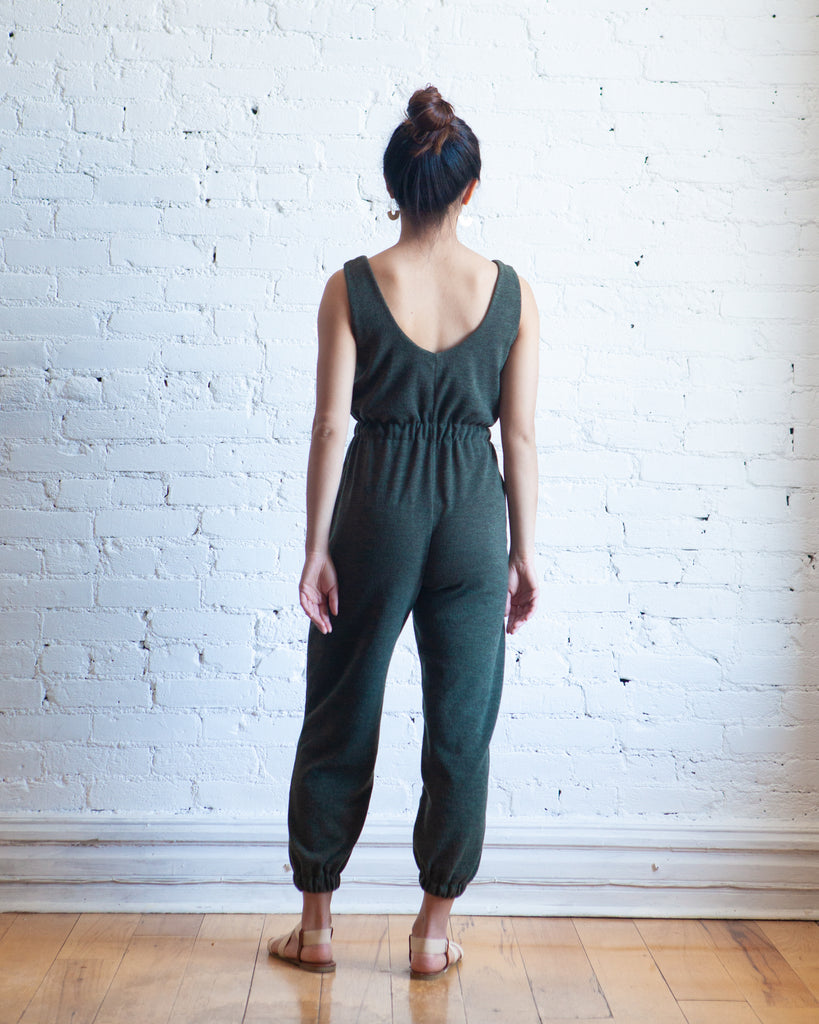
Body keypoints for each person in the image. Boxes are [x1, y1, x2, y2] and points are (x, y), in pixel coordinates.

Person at [267, 85, 539, 980]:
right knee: (461, 725)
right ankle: (430, 933)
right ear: (470, 189)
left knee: (340, 707)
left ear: (393, 187)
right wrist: (523, 552)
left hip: (375, 508)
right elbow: (520, 438)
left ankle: (316, 926)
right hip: (471, 514)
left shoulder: (351, 286)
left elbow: (328, 425)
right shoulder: (510, 294)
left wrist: (316, 547)